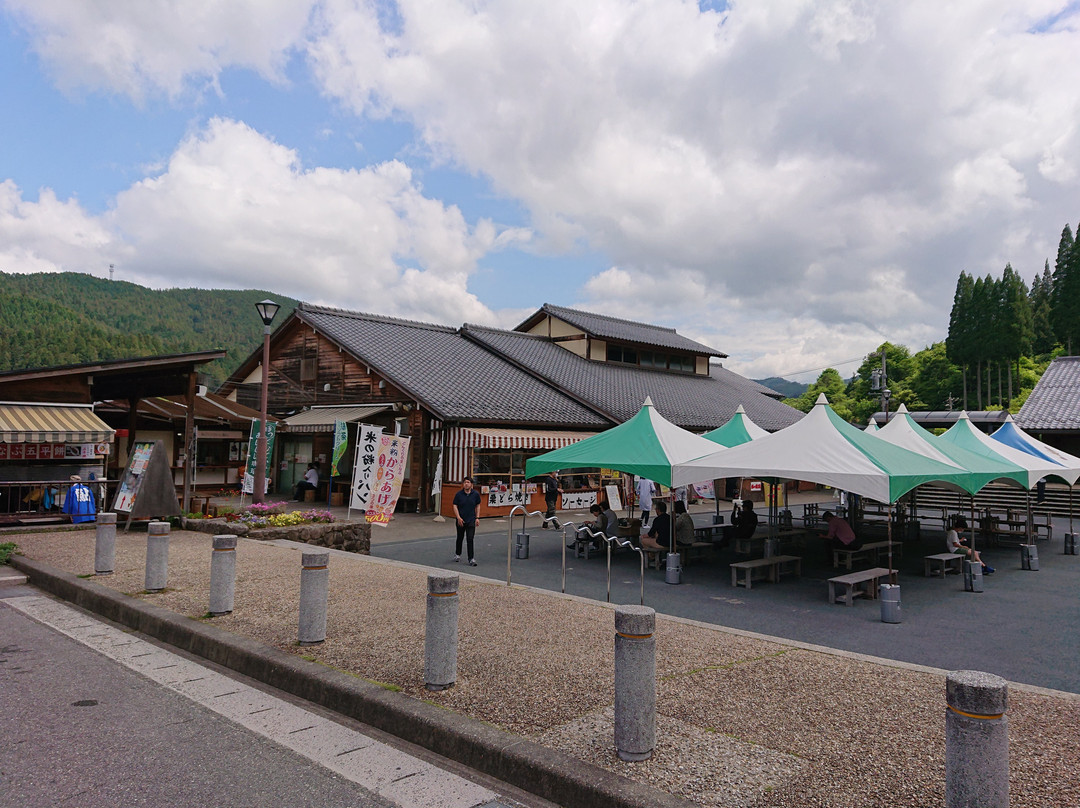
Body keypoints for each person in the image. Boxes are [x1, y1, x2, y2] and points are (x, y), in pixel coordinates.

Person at [452, 476, 481, 566]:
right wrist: (458, 517)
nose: (466, 484)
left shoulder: (475, 494)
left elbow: (478, 505)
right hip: (461, 519)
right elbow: (455, 505)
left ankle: (471, 558)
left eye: (468, 482)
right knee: (460, 537)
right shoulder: (459, 494)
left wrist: (477, 517)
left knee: (470, 538)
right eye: (465, 482)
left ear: (471, 484)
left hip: (471, 519)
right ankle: (457, 554)